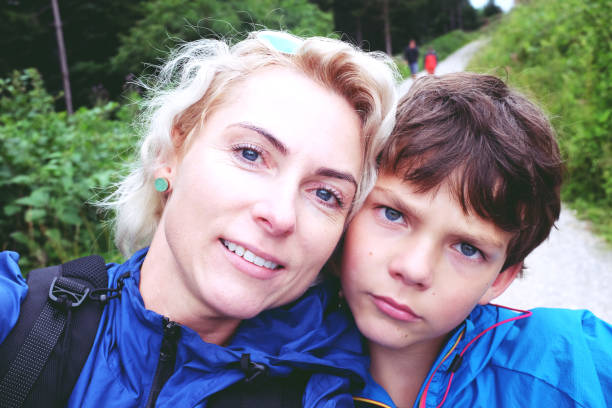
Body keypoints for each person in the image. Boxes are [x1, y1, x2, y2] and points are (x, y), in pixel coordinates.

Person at [0, 30, 398, 407]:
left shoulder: (335, 388)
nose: (280, 215)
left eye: (326, 194)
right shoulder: (20, 323)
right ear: (172, 154)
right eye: (251, 154)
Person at [339, 73, 612, 408]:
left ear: (500, 278)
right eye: (393, 215)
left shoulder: (564, 368)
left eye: (468, 248)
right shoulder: (272, 354)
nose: (414, 269)